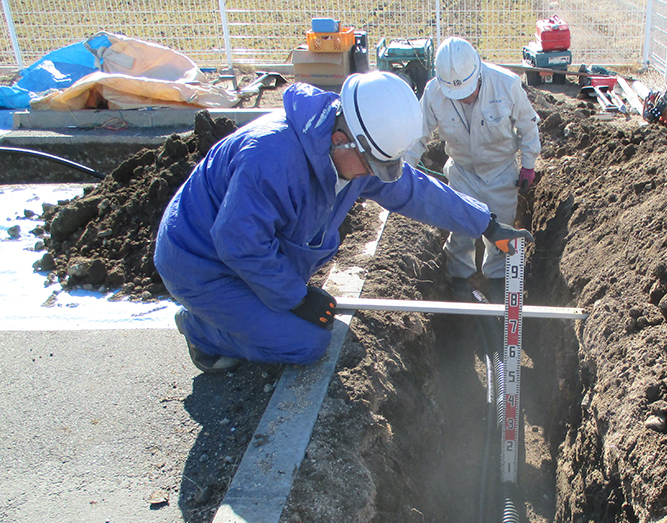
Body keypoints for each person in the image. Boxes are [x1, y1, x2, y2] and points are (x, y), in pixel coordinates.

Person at [154, 71, 532, 373]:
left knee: (299, 320)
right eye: (373, 166)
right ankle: (201, 329)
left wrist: (485, 225)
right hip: (202, 264)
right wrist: (297, 297)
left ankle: (250, 309)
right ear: (340, 139)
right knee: (307, 343)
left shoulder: (356, 146)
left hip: (243, 253)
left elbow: (415, 190)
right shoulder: (270, 159)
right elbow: (239, 242)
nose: (376, 175)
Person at [405, 36, 540, 302]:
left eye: (469, 91)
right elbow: (417, 136)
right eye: (458, 95)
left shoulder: (506, 84)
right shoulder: (434, 93)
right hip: (462, 172)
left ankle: (499, 284)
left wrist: (529, 164)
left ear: (478, 73)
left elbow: (528, 125)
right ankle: (459, 282)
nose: (465, 98)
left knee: (501, 233)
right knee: (460, 232)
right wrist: (402, 173)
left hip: (501, 172)